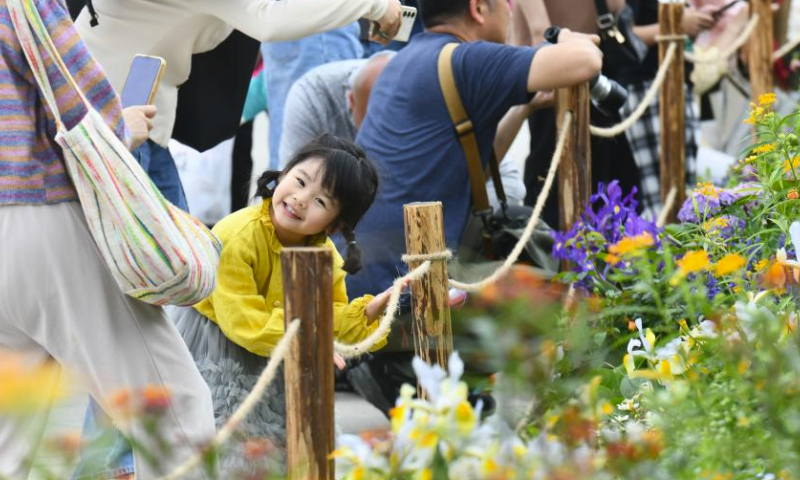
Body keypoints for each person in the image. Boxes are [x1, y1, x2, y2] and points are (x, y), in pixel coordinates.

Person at [83, 135, 399, 473]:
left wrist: (362, 315)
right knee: (224, 436)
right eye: (300, 181)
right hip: (218, 343)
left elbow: (326, 314)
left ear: (335, 225)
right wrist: (308, 334)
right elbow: (243, 321)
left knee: (289, 434)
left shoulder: (323, 255)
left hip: (280, 344)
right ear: (284, 172)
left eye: (321, 201)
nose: (301, 199)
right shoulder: (239, 234)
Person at [345, 0, 602, 409]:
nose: (513, 8)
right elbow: (585, 60)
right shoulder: (469, 59)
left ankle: (428, 378)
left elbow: (472, 169)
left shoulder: (407, 60)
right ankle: (416, 372)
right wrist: (566, 37)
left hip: (367, 289)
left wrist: (522, 108)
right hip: (409, 299)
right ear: (479, 8)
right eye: (507, 2)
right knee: (582, 305)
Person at [0, 0, 216, 478]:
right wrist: (123, 126)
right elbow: (73, 94)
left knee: (14, 439)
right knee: (172, 408)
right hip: (45, 214)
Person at [72, 0, 404, 218]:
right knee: (167, 276)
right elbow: (268, 20)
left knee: (180, 275)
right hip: (112, 124)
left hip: (135, 121)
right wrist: (376, 5)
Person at [511, 0, 644, 229]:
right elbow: (539, 37)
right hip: (553, 91)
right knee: (558, 202)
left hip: (590, 83)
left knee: (608, 196)